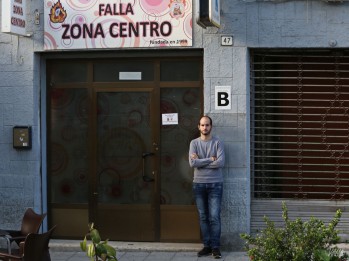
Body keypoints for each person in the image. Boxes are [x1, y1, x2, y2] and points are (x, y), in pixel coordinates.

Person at [189, 115, 225, 259]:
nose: (205, 128)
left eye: (207, 125)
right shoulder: (194, 143)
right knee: (204, 217)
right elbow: (192, 164)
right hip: (198, 184)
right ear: (199, 127)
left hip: (215, 184)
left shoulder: (218, 143)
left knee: (214, 217)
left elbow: (220, 163)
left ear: (211, 126)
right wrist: (210, 159)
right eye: (202, 125)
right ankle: (207, 246)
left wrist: (200, 161)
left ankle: (216, 248)